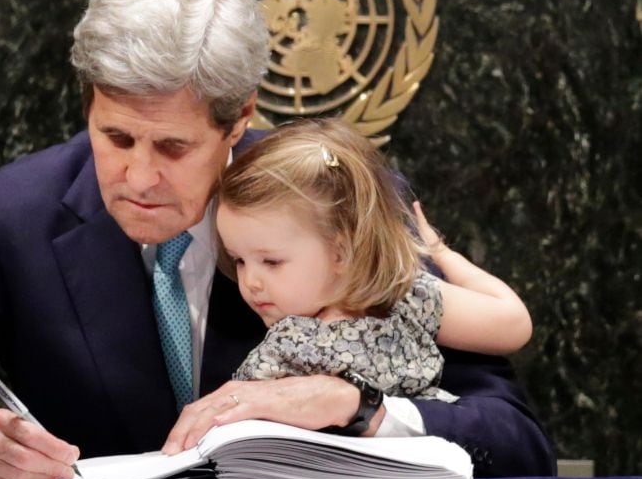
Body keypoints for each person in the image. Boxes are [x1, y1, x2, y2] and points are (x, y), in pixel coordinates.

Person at [0, 0, 555, 479]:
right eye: (115, 138)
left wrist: (361, 409)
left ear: (239, 120)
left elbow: (518, 443)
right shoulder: (10, 217)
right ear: (88, 106)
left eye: (174, 146)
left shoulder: (335, 196)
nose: (137, 178)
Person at [211, 118, 531, 407]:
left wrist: (443, 255)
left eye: (271, 261)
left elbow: (513, 325)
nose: (250, 281)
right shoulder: (281, 345)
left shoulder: (406, 297)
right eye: (239, 260)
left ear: (341, 252)